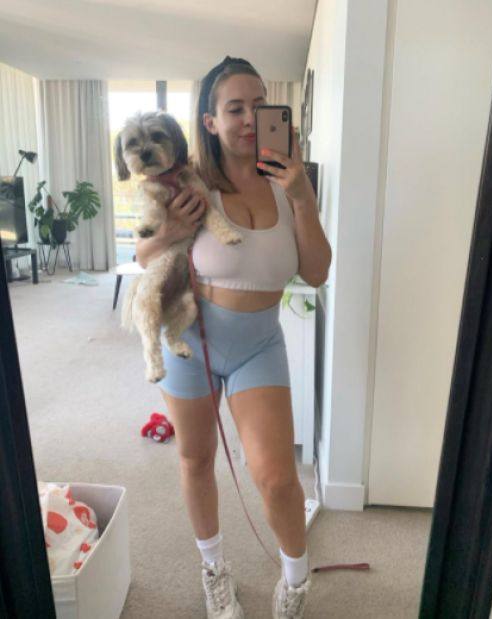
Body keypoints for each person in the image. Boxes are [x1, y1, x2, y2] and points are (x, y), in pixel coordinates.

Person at [136, 56, 332, 619]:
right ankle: (214, 570)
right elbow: (144, 255)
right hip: (190, 338)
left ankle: (295, 580)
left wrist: (303, 196)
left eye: (259, 105)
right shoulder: (187, 182)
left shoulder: (289, 182)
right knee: (196, 459)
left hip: (258, 346)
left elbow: (317, 271)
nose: (249, 119)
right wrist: (174, 230)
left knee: (276, 477)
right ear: (210, 121)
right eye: (235, 108)